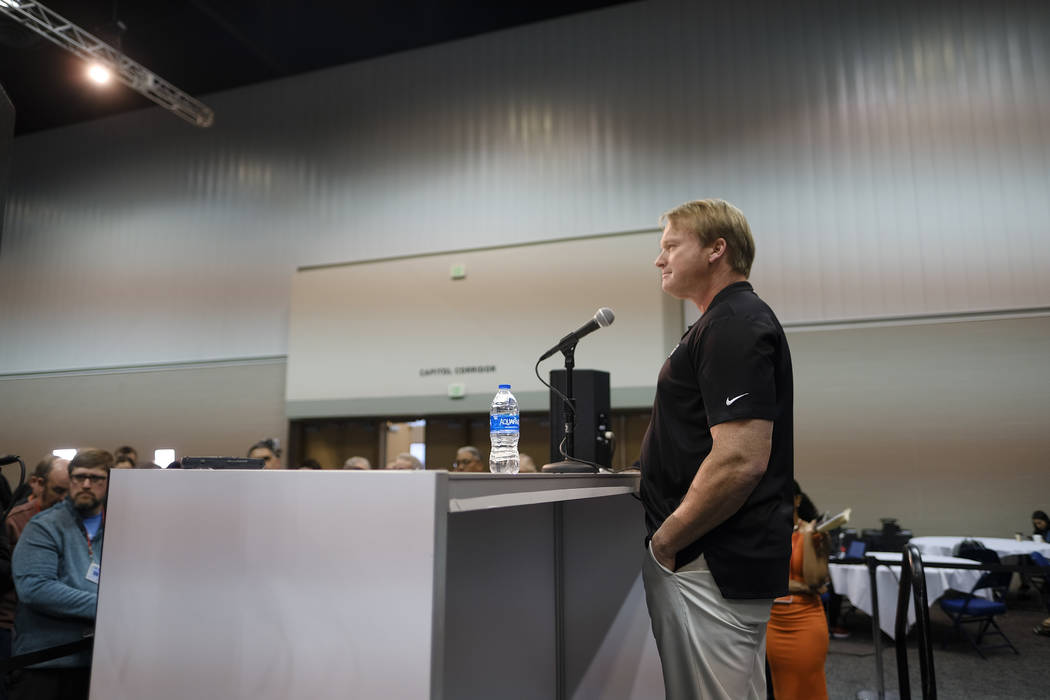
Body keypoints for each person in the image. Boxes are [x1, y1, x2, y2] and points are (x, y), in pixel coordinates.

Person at [640, 199, 794, 700]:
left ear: (715, 249)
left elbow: (740, 458)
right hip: (707, 558)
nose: (659, 259)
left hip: (709, 560)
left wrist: (666, 541)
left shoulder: (734, 324)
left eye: (670, 246)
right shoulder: (718, 323)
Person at [10, 448, 111, 700]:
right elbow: (36, 588)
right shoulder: (44, 526)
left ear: (110, 482)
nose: (86, 484)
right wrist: (108, 605)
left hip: (97, 665)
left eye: (96, 478)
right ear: (70, 479)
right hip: (47, 666)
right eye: (79, 477)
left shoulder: (118, 528)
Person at [765, 481, 831, 700]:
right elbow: (763, 580)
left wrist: (808, 538)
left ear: (797, 500)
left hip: (805, 620)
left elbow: (814, 581)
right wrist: (799, 586)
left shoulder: (814, 534)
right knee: (780, 688)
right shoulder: (768, 535)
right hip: (773, 621)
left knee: (808, 686)